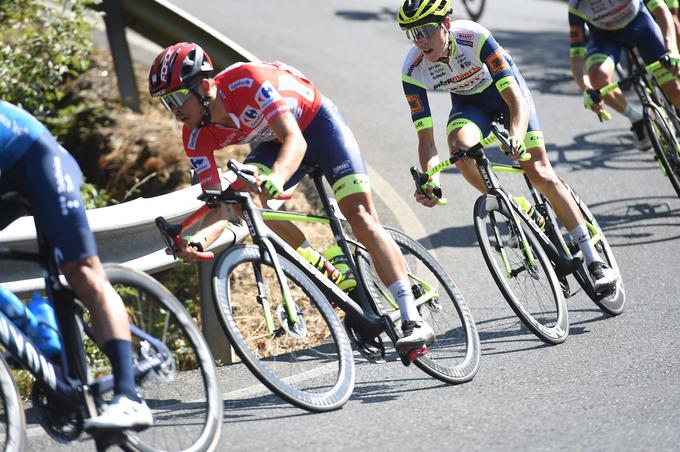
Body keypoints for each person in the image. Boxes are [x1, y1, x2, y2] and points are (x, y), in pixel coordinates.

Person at [147, 42, 434, 354]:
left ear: (203, 87)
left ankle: (412, 318)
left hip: (317, 126)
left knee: (361, 217)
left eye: (177, 98)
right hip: (273, 141)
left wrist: (277, 179)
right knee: (247, 202)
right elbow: (220, 208)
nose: (175, 111)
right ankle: (319, 263)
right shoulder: (193, 137)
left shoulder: (247, 80)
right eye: (166, 103)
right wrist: (198, 243)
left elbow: (295, 140)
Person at [397, 0, 618, 291]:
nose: (421, 40)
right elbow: (426, 140)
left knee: (538, 170)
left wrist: (515, 135)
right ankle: (515, 207)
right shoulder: (412, 70)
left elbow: (514, 98)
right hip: (469, 105)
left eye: (426, 29)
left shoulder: (473, 37)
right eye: (413, 33)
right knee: (460, 151)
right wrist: (432, 180)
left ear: (446, 25)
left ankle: (593, 259)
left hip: (507, 94)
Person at [0, 101, 152, 431]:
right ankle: (36, 329)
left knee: (81, 271)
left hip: (38, 160)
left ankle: (129, 398)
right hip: (5, 177)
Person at [568, 0, 680, 150]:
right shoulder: (576, 5)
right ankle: (637, 119)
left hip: (641, 25)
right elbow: (576, 53)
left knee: (674, 90)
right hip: (605, 38)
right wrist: (585, 89)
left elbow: (661, 9)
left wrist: (671, 49)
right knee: (597, 78)